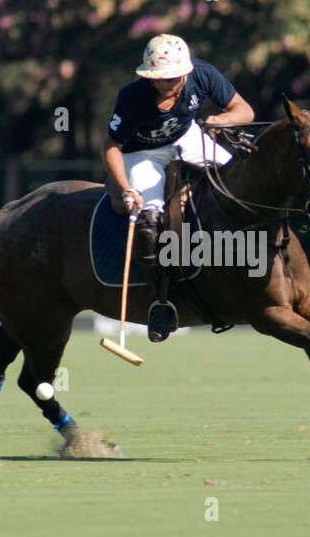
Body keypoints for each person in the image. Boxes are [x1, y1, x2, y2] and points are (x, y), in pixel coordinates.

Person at [100, 35, 254, 341]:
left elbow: (244, 111)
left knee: (237, 184)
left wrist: (222, 120)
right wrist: (126, 187)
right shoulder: (132, 97)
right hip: (141, 153)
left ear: (185, 71)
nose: (165, 85)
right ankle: (161, 302)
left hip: (187, 137)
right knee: (149, 224)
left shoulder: (203, 74)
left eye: (171, 78)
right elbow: (111, 146)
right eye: (157, 79)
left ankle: (245, 268)